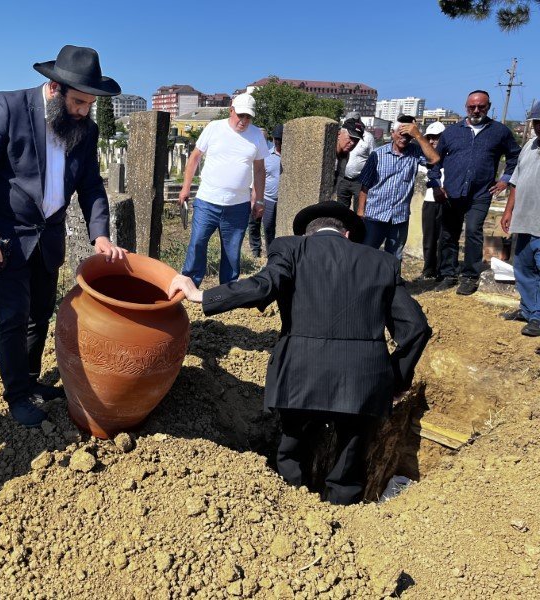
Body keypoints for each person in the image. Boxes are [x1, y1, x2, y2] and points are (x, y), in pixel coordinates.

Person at [168, 201, 431, 505]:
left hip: (301, 375)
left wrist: (202, 295)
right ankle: (343, 524)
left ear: (308, 234)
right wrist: (394, 381)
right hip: (363, 382)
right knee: (349, 466)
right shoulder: (381, 262)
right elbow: (416, 329)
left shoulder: (290, 249)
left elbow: (264, 286)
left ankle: (291, 514)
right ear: (348, 235)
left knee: (292, 455)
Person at [0, 45, 126, 428]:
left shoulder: (85, 129)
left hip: (48, 238)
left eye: (90, 104)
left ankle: (31, 380)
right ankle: (16, 395)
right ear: (54, 88)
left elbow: (91, 186)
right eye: (79, 102)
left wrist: (100, 235)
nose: (85, 111)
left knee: (40, 314)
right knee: (13, 317)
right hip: (5, 237)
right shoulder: (8, 108)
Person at [430, 90, 522, 295]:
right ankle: (448, 274)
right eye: (472, 106)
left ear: (488, 106)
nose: (476, 110)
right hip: (451, 192)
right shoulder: (452, 132)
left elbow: (515, 157)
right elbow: (434, 159)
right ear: (466, 107)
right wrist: (435, 185)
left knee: (473, 231)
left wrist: (505, 181)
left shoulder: (499, 132)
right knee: (448, 234)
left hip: (480, 193)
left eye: (481, 106)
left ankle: (470, 276)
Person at [177, 93, 268, 286]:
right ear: (231, 110)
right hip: (208, 200)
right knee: (198, 243)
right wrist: (186, 187)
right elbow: (195, 158)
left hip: (238, 205)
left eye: (248, 117)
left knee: (232, 250)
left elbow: (259, 170)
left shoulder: (256, 136)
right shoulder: (214, 128)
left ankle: (227, 290)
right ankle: (190, 284)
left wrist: (259, 200)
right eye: (240, 115)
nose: (243, 121)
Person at [357, 115, 440, 267]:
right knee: (366, 254)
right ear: (393, 133)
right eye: (401, 135)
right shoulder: (378, 154)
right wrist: (360, 211)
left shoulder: (415, 152)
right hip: (375, 215)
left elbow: (434, 159)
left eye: (408, 136)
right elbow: (365, 185)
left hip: (399, 217)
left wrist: (418, 136)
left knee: (394, 258)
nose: (404, 139)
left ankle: (392, 286)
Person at [500, 102, 540, 337]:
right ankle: (528, 310)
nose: (538, 127)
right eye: (536, 122)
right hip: (524, 221)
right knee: (523, 269)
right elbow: (515, 181)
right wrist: (508, 211)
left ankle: (538, 316)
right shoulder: (529, 146)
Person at [416, 121, 446, 281]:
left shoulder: (449, 156)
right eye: (430, 138)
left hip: (446, 201)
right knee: (429, 238)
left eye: (436, 138)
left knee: (444, 238)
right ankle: (428, 269)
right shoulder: (425, 158)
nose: (433, 141)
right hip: (429, 200)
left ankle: (442, 270)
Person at [247, 125, 283, 257]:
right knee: (264, 226)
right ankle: (262, 251)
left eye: (281, 140)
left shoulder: (288, 157)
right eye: (277, 140)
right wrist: (255, 197)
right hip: (265, 197)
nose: (278, 142)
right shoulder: (267, 156)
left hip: (280, 199)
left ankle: (276, 254)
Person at [336, 111, 376, 210]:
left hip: (359, 181)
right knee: (341, 210)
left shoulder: (368, 137)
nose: (352, 142)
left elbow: (374, 158)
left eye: (356, 120)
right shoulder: (340, 136)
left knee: (359, 211)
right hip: (343, 179)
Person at [332, 118, 366, 191]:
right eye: (350, 137)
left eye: (356, 140)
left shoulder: (346, 155)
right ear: (339, 134)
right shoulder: (328, 154)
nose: (353, 143)